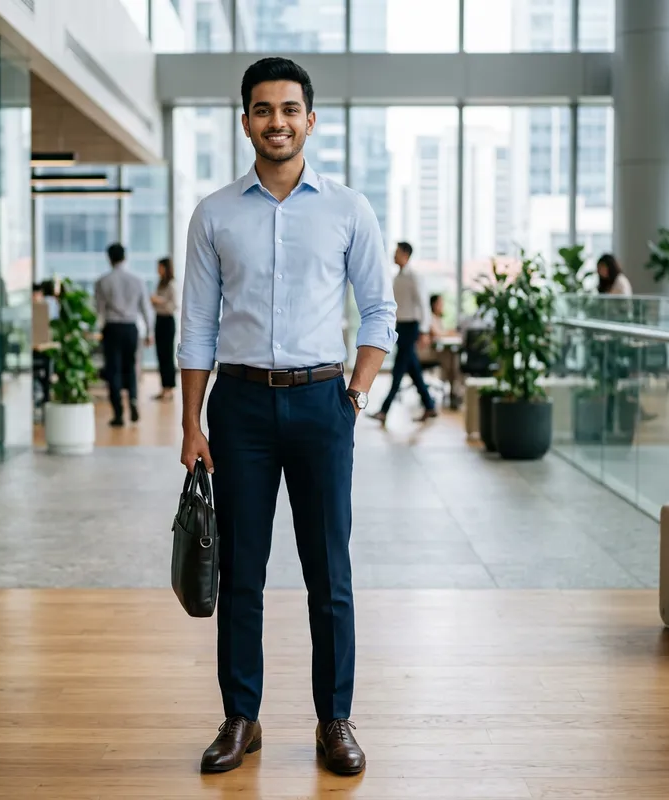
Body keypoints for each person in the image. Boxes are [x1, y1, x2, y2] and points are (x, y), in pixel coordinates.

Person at [178, 57, 396, 776]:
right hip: (238, 406)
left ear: (310, 119)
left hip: (321, 402)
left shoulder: (348, 209)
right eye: (264, 109)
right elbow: (197, 325)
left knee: (328, 572)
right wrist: (191, 424)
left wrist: (354, 395)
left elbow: (379, 310)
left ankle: (335, 719)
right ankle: (241, 717)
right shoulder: (214, 213)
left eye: (289, 109)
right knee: (241, 571)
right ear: (245, 121)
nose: (278, 121)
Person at [369, 241, 437, 425]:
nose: (394, 255)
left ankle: (384, 410)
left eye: (397, 252)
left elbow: (423, 304)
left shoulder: (414, 277)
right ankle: (430, 406)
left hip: (411, 326)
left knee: (398, 369)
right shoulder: (397, 277)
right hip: (401, 326)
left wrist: (424, 331)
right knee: (413, 370)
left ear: (405, 254)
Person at [94, 243, 152, 427]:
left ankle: (118, 413)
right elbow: (146, 308)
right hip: (130, 328)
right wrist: (149, 331)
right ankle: (133, 398)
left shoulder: (103, 281)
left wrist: (97, 330)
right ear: (125, 257)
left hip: (112, 328)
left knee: (113, 370)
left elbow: (99, 310)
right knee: (131, 366)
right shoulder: (137, 280)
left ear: (109, 258)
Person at [150, 256, 177, 401]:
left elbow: (173, 306)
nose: (158, 270)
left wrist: (159, 301)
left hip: (167, 321)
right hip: (159, 320)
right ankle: (163, 387)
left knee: (167, 355)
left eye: (160, 267)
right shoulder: (160, 284)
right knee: (160, 355)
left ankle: (169, 389)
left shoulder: (171, 285)